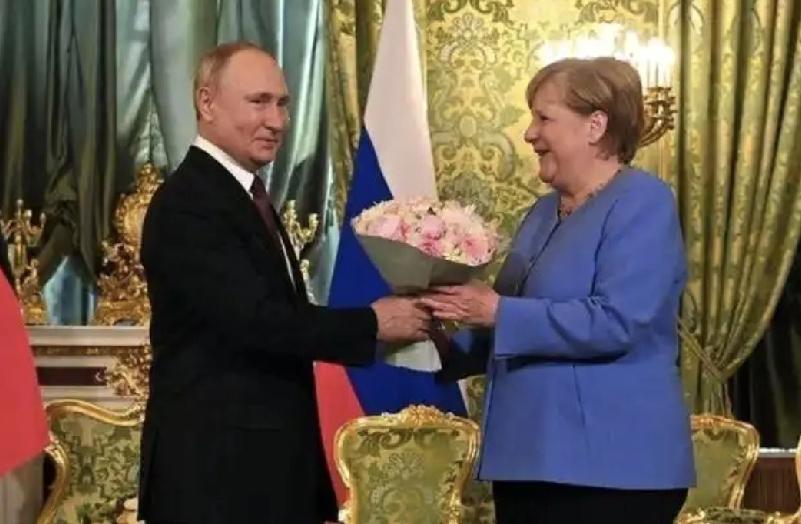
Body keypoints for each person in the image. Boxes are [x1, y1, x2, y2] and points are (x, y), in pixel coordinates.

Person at [138, 41, 430, 524]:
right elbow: (258, 321)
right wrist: (372, 323)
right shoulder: (188, 202)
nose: (276, 121)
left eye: (282, 104)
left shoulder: (241, 194)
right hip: (217, 479)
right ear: (206, 103)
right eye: (259, 102)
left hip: (259, 472)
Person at [423, 57, 695, 524]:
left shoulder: (643, 201)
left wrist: (497, 312)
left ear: (595, 126)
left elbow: (618, 321)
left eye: (544, 118)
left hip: (612, 469)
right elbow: (509, 325)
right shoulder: (541, 213)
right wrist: (441, 331)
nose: (529, 133)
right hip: (529, 459)